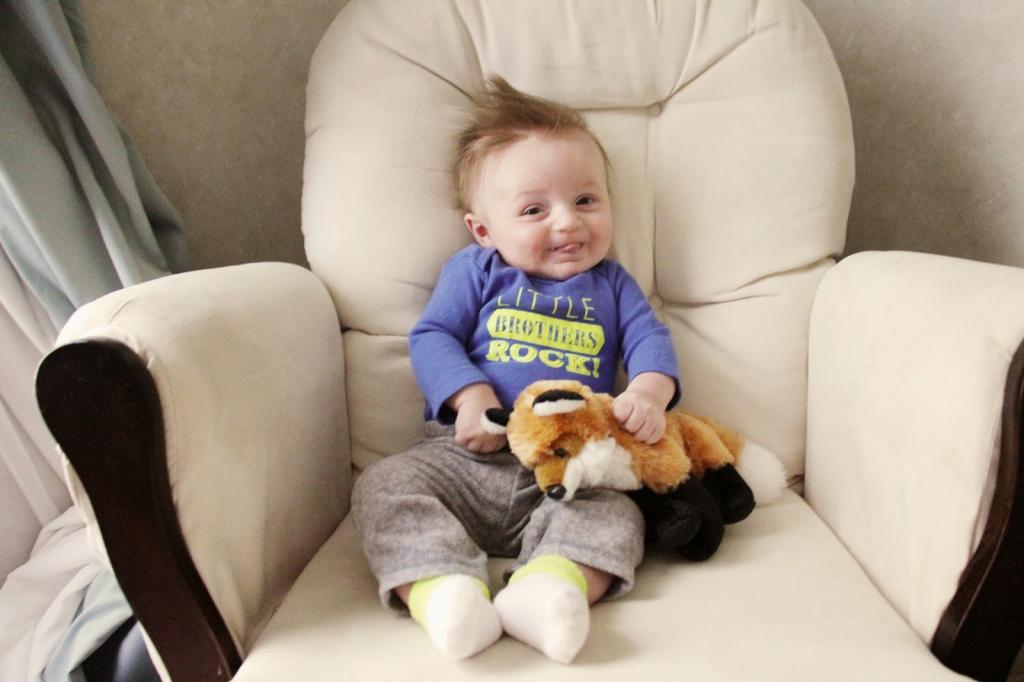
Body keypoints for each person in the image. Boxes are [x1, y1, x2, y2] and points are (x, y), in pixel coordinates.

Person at [352, 76, 680, 663]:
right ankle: (442, 590)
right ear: (484, 229)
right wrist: (470, 396)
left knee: (619, 515)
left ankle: (550, 586)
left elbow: (650, 341)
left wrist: (651, 394)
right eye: (534, 209)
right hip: (464, 459)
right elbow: (433, 336)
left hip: (568, 471)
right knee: (383, 485)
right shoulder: (476, 271)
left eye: (585, 200)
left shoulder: (612, 283)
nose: (567, 223)